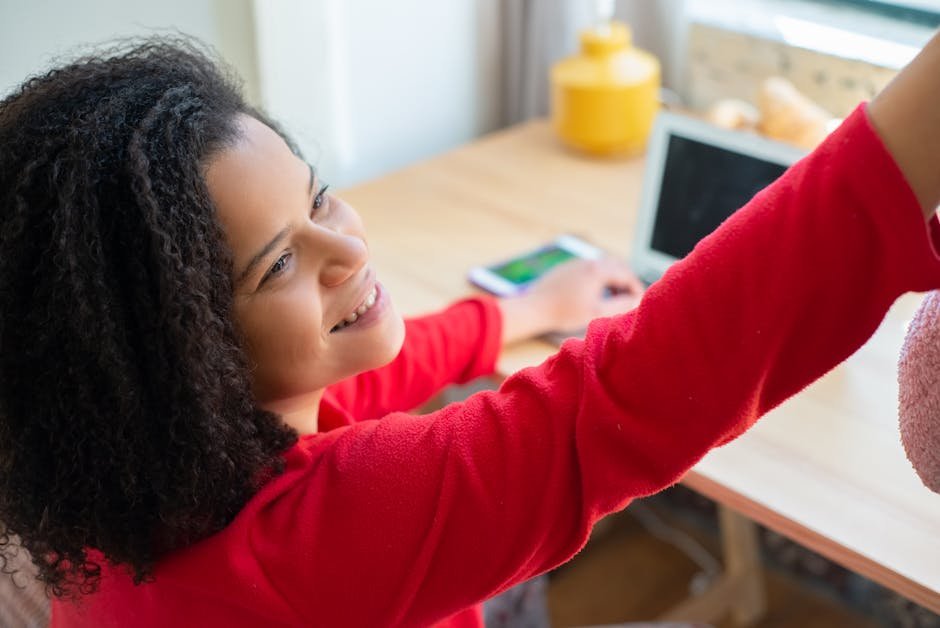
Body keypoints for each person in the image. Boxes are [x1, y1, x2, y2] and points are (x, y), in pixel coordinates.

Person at [0, 25, 938, 626]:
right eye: (280, 261)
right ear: (185, 360)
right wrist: (901, 153)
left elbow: (362, 390)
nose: (348, 248)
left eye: (319, 194)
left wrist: (516, 313)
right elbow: (623, 394)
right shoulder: (312, 545)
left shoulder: (120, 483)